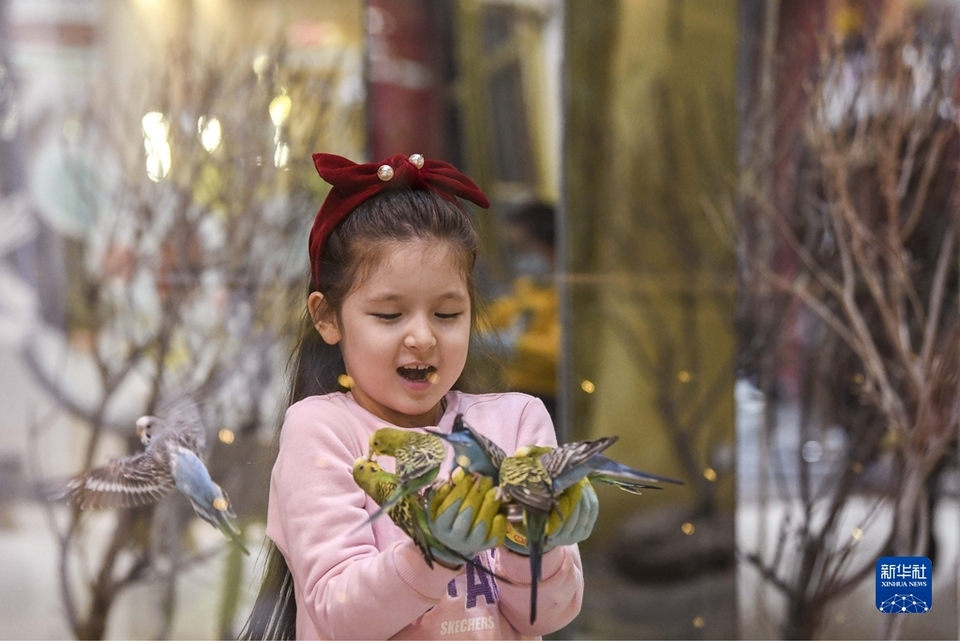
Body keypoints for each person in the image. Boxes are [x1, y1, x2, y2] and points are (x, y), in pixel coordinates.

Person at [242, 153, 596, 640]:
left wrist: (532, 537)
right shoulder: (322, 431)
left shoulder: (516, 422)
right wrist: (435, 550)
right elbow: (340, 614)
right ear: (327, 318)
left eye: (447, 314)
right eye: (390, 316)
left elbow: (548, 614)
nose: (423, 338)